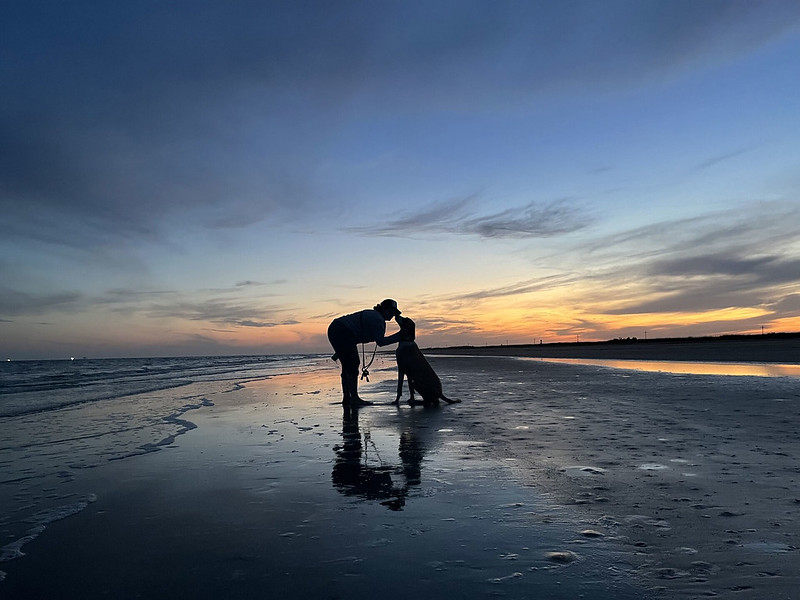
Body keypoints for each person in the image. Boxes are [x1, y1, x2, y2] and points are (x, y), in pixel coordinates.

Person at [327, 299, 402, 406]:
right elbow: (381, 342)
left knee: (347, 365)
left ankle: (347, 398)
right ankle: (354, 398)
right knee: (353, 364)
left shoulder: (374, 315)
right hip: (342, 330)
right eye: (392, 311)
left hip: (335, 327)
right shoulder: (378, 319)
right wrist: (399, 336)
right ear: (385, 309)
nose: (393, 315)